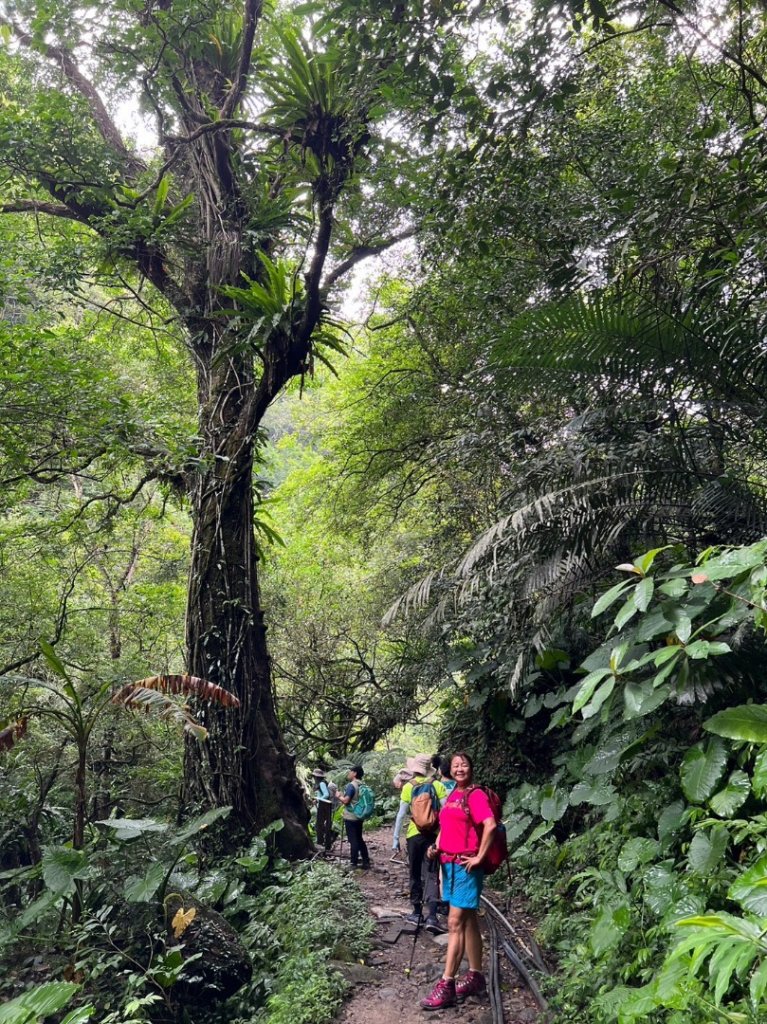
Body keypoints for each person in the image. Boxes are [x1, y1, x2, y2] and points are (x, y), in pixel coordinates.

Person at [420, 751, 496, 1011]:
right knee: (469, 919)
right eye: (455, 765)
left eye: (464, 764)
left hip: (465, 867)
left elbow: (490, 825)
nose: (460, 768)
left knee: (454, 922)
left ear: (471, 768)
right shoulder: (453, 793)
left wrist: (480, 857)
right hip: (449, 865)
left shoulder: (475, 795)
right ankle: (476, 976)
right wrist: (436, 847)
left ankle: (447, 984)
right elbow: (445, 827)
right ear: (450, 770)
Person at [395, 753, 447, 933]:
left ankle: (417, 912)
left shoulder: (408, 787)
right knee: (432, 873)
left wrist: (395, 838)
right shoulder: (438, 785)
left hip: (414, 835)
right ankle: (432, 916)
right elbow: (446, 812)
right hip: (433, 835)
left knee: (414, 872)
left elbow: (401, 814)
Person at [338, 764, 371, 869]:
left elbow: (346, 801)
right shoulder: (362, 785)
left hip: (351, 817)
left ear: (355, 773)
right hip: (359, 816)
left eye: (350, 771)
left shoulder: (351, 786)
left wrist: (339, 796)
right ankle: (366, 861)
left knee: (353, 840)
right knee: (359, 838)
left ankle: (353, 863)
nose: (349, 773)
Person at [311, 768, 334, 851]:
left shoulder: (321, 783)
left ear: (316, 777)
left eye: (314, 776)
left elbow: (326, 794)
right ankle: (326, 844)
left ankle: (320, 843)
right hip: (325, 805)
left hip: (324, 805)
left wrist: (318, 800)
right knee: (324, 825)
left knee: (319, 825)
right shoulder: (323, 783)